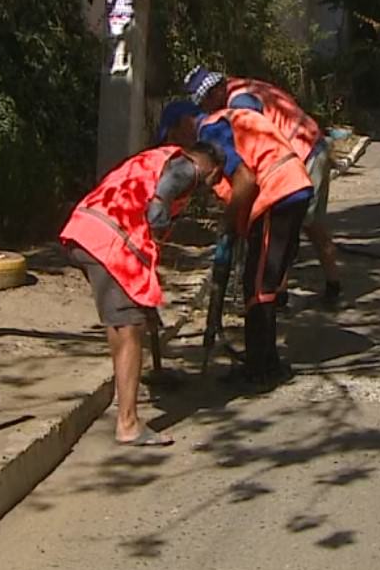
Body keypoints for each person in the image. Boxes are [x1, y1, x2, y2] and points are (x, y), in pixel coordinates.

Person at [60, 143, 223, 445]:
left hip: (86, 230)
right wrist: (159, 224)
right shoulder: (187, 167)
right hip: (110, 241)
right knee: (130, 328)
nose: (212, 188)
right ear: (211, 168)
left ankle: (126, 402)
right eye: (215, 180)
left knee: (120, 323)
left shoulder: (155, 157)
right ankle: (128, 423)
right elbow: (162, 200)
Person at [183, 66, 342, 305]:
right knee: (288, 227)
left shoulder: (240, 100)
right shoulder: (239, 86)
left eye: (205, 101)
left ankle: (330, 285)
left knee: (305, 224)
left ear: (216, 90)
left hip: (304, 150)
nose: (206, 108)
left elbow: (247, 136)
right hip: (295, 152)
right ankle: (279, 291)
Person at [193, 102, 315, 386]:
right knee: (262, 282)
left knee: (259, 285)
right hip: (291, 186)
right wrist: (239, 227)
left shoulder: (210, 131)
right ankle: (265, 360)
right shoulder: (228, 119)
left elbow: (246, 178)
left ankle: (260, 369)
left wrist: (229, 221)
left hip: (278, 192)